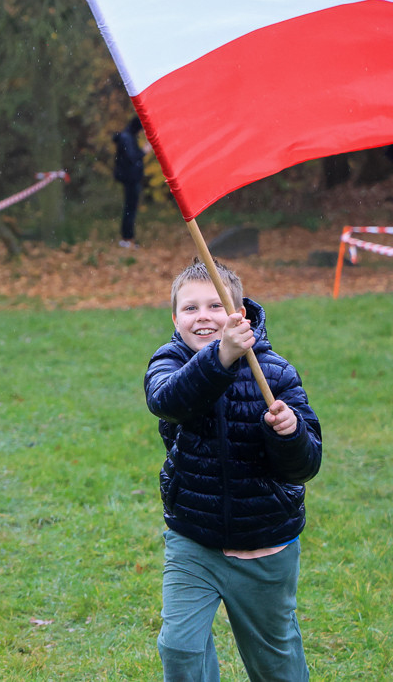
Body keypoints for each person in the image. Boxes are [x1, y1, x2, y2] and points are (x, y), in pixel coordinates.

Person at [144, 258, 322, 681]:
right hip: (194, 538)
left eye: (215, 306)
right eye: (190, 308)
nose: (203, 316)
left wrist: (290, 432)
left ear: (238, 313)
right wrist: (222, 356)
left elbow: (306, 464)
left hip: (265, 543)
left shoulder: (274, 372)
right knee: (179, 647)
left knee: (273, 661)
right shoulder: (168, 364)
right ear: (175, 318)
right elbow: (168, 402)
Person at [113, 115, 145, 248]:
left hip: (130, 178)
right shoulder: (127, 138)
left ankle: (128, 237)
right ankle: (127, 238)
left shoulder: (127, 137)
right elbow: (132, 157)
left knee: (130, 207)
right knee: (130, 208)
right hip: (130, 178)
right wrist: (144, 151)